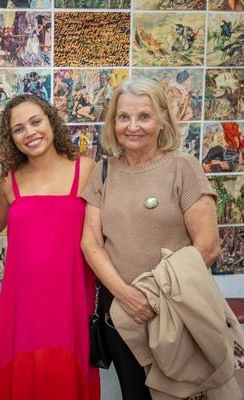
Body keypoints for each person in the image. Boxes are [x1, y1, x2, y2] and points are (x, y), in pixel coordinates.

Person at [81, 77, 221, 400]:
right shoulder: (104, 171)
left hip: (178, 311)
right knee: (135, 394)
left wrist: (157, 298)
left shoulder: (183, 168)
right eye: (123, 117)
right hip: (122, 314)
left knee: (184, 394)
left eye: (143, 116)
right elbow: (91, 242)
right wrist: (127, 296)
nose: (133, 126)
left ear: (161, 120)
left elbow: (208, 247)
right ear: (113, 122)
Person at [0, 94, 99, 399]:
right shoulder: (8, 181)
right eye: (19, 129)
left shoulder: (86, 168)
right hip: (22, 302)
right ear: (11, 138)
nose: (30, 132)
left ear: (51, 122)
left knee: (68, 370)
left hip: (72, 295)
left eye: (36, 121)